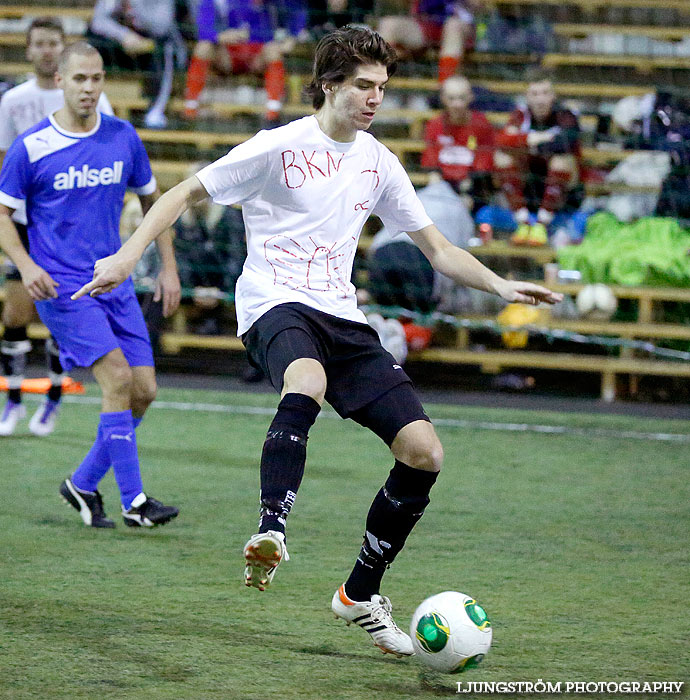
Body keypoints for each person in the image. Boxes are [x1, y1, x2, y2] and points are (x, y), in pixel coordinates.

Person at [72, 26, 561, 653]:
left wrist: (503, 286)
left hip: (342, 316)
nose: (374, 98)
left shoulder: (379, 162)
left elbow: (437, 249)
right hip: (273, 302)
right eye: (363, 85)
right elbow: (181, 193)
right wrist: (126, 254)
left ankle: (359, 593)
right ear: (329, 84)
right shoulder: (278, 147)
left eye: (382, 87)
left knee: (424, 452)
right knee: (307, 379)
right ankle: (272, 530)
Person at [0, 42, 181, 529]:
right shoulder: (32, 147)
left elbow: (154, 204)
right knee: (118, 381)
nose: (88, 88)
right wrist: (24, 263)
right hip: (62, 289)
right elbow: (1, 214)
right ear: (59, 81)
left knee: (143, 391)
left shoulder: (123, 136)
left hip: (114, 282)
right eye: (79, 79)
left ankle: (81, 483)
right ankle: (135, 502)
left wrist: (168, 267)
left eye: (96, 79)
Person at [0, 17, 114, 437]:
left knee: (60, 314)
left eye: (53, 44)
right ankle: (12, 400)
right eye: (39, 44)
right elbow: (4, 159)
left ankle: (51, 402)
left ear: (62, 51)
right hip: (28, 222)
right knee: (15, 310)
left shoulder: (92, 99)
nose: (46, 51)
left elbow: (109, 152)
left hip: (71, 230)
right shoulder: (14, 100)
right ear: (28, 50)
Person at [183, 0, 308, 125]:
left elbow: (298, 12)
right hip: (228, 55)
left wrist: (292, 37)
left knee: (273, 51)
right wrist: (220, 36)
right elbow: (202, 30)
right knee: (203, 47)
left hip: (257, 56)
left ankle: (273, 111)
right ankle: (191, 105)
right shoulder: (218, 2)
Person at [495, 71, 581, 246]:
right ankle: (523, 222)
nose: (540, 100)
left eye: (545, 93)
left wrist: (531, 143)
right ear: (527, 97)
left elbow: (566, 143)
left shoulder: (566, 115)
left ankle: (541, 224)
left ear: (554, 95)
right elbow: (502, 140)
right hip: (529, 181)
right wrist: (529, 139)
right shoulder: (521, 115)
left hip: (563, 188)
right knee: (502, 157)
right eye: (534, 94)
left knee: (562, 159)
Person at [88, 0, 187, 129]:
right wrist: (124, 36)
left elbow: (162, 25)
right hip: (122, 42)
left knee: (166, 49)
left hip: (153, 44)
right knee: (91, 44)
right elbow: (98, 21)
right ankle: (89, 103)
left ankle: (155, 111)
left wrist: (135, 6)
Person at [421, 75, 495, 215]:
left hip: (473, 186)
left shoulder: (482, 124)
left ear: (470, 97)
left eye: (461, 98)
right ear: (443, 98)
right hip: (443, 185)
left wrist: (467, 190)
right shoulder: (434, 125)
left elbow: (484, 163)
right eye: (451, 98)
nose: (457, 104)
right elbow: (430, 162)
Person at [378, 0, 483, 83]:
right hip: (426, 24)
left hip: (458, 25)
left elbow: (480, 5)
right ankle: (376, 76)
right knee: (388, 24)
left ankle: (445, 87)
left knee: (453, 26)